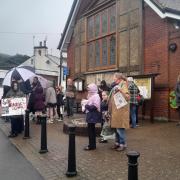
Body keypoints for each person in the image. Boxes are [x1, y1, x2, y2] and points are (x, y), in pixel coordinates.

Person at [109, 73, 130, 151]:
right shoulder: (117, 85)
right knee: (116, 129)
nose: (113, 80)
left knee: (120, 129)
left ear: (118, 78)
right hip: (116, 112)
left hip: (121, 112)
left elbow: (127, 97)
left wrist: (120, 90)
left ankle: (123, 144)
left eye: (114, 79)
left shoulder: (123, 85)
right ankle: (117, 143)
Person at [84, 83, 101, 151]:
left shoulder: (96, 96)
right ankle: (92, 145)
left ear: (93, 89)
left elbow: (95, 106)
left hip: (92, 115)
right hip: (90, 115)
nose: (88, 91)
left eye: (89, 89)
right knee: (91, 130)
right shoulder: (92, 95)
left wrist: (86, 106)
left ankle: (91, 146)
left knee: (91, 131)